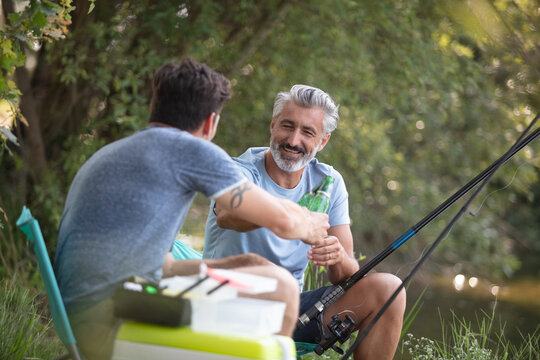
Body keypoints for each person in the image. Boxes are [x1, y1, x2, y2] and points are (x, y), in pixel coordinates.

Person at [53, 60, 330, 360]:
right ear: (210, 122)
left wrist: (245, 264)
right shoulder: (193, 150)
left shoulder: (113, 152)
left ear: (154, 107)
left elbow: (161, 261)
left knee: (257, 267)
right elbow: (285, 223)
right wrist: (311, 224)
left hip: (75, 314)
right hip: (116, 313)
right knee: (282, 287)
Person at [203, 84, 406, 360]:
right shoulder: (239, 170)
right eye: (287, 126)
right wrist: (290, 218)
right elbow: (228, 216)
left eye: (308, 132)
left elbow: (345, 275)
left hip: (288, 313)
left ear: (323, 141)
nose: (294, 140)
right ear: (273, 125)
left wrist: (336, 257)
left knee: (389, 289)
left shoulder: (329, 182)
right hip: (224, 302)